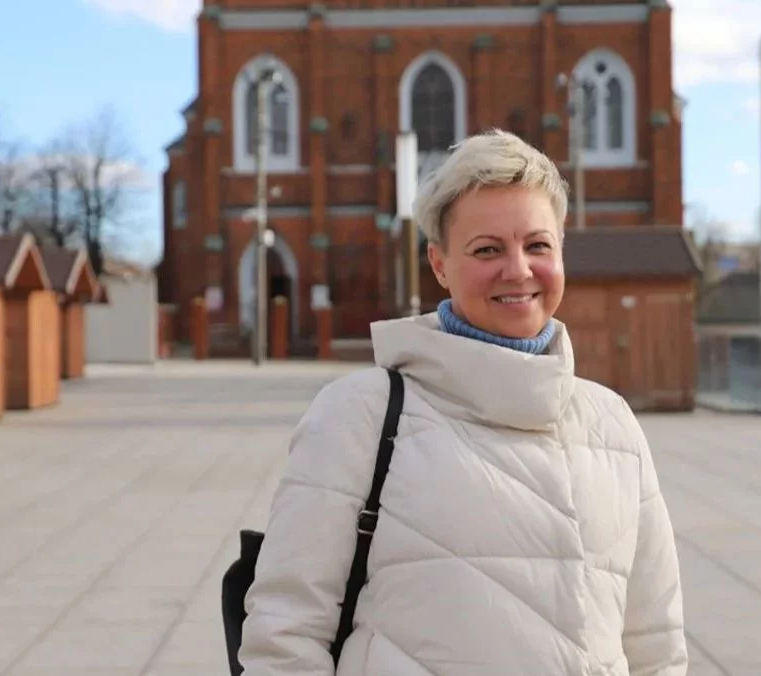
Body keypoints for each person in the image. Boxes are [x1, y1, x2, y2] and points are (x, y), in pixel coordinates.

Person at [237, 129, 687, 676]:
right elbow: (283, 633)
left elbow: (655, 644)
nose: (518, 270)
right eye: (487, 249)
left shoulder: (612, 425)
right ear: (440, 264)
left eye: (538, 245)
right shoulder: (360, 414)